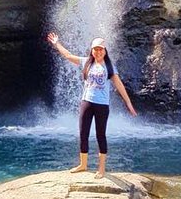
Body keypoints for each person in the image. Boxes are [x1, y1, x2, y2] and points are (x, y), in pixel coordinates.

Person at [45, 31, 137, 177]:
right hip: (86, 102)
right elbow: (68, 55)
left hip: (102, 105)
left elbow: (120, 86)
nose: (98, 51)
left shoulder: (110, 67)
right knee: (83, 134)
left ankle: (101, 168)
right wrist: (56, 43)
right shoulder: (86, 62)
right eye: (96, 49)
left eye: (101, 49)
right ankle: (83, 164)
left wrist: (129, 104)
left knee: (101, 135)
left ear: (105, 51)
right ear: (92, 50)